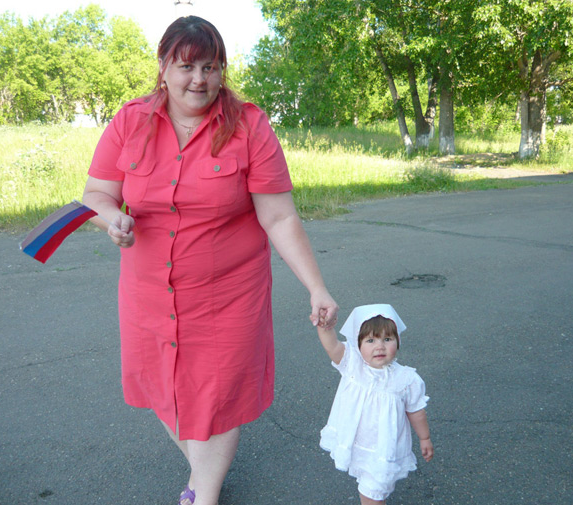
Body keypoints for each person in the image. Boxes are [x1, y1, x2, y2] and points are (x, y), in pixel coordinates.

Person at [82, 15, 338, 505]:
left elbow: (279, 216)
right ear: (163, 67)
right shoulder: (130, 121)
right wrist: (112, 218)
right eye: (186, 66)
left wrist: (316, 286)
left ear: (222, 71)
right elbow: (96, 195)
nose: (199, 79)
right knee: (164, 390)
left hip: (228, 295)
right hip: (149, 293)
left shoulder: (249, 126)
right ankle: (203, 478)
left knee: (217, 399)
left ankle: (204, 495)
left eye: (211, 67)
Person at [315, 304, 433, 505]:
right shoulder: (353, 364)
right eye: (370, 340)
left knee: (373, 493)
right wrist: (325, 325)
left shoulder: (406, 379)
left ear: (398, 341)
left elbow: (416, 411)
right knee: (368, 489)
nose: (380, 346)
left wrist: (425, 437)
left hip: (383, 450)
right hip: (355, 444)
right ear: (358, 344)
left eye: (387, 339)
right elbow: (332, 346)